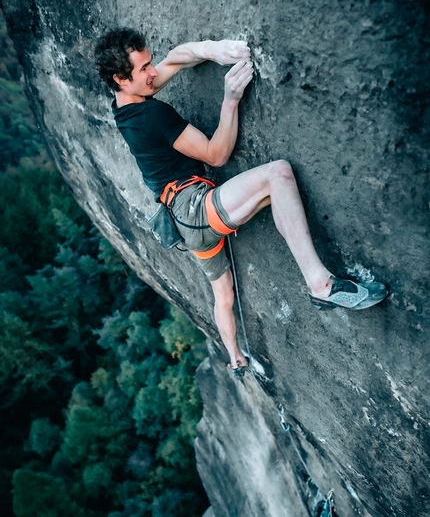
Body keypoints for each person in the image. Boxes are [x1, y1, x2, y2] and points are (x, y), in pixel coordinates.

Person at [94, 28, 387, 377]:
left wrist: (214, 50)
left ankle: (234, 357)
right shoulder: (150, 116)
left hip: (185, 224)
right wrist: (230, 99)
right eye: (144, 69)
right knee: (277, 176)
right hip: (195, 209)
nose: (154, 72)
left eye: (148, 63)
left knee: (223, 295)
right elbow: (217, 154)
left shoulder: (124, 104)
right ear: (120, 78)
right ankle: (321, 285)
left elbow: (176, 58)